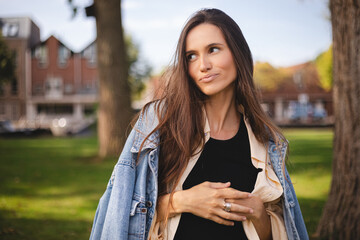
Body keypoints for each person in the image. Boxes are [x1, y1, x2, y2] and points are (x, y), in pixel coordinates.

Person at [89, 8, 309, 240]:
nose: (202, 65)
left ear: (238, 53)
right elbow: (122, 210)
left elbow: (277, 233)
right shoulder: (161, 122)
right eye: (191, 56)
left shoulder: (264, 140)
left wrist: (258, 213)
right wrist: (183, 201)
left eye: (213, 50)